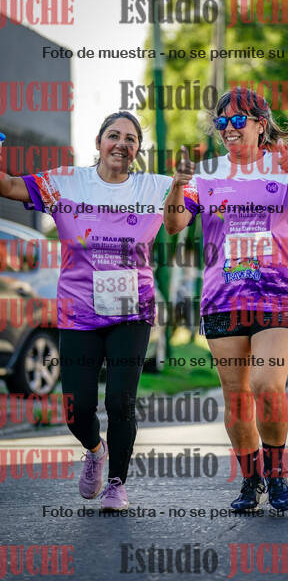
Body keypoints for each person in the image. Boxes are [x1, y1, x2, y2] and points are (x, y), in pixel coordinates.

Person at [164, 87, 288, 512]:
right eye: (222, 122)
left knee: (267, 386)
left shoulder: (283, 168)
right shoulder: (206, 174)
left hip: (277, 296)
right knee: (237, 396)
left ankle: (276, 475)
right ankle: (251, 479)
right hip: (223, 298)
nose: (229, 128)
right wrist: (177, 187)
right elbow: (174, 225)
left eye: (238, 120)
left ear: (260, 123)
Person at [0, 112, 171, 510]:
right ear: (98, 142)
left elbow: (210, 196)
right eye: (113, 135)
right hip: (78, 311)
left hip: (131, 310)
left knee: (120, 402)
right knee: (76, 409)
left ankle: (117, 484)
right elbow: (7, 186)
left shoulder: (155, 187)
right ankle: (95, 450)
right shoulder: (65, 182)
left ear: (137, 149)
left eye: (131, 139)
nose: (121, 144)